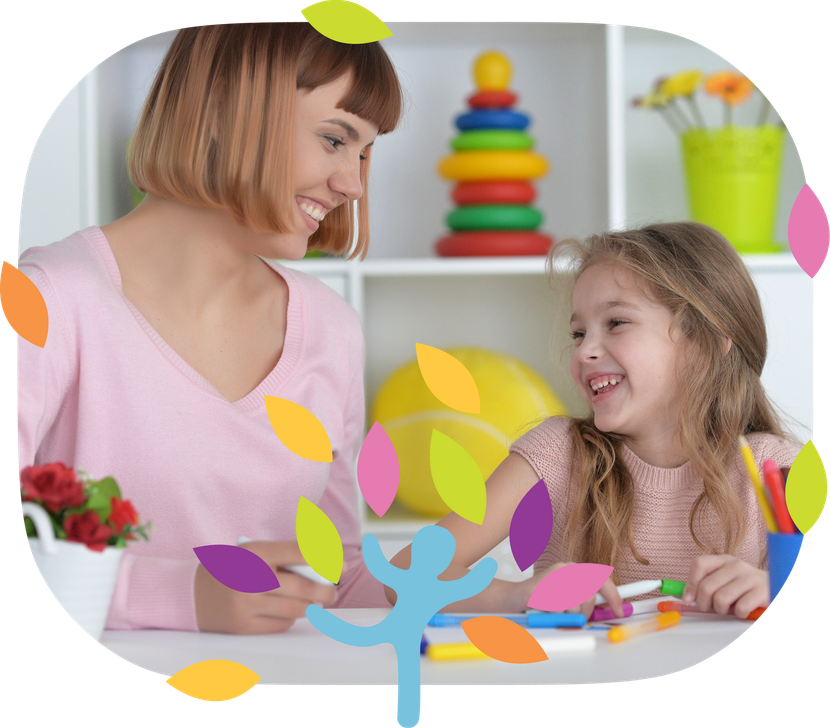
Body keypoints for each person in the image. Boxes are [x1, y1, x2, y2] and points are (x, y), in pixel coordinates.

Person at [17, 22, 403, 634]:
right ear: (223, 107)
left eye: (363, 153)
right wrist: (176, 594)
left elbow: (331, 578)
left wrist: (504, 596)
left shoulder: (332, 329)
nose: (352, 184)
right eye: (334, 139)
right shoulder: (48, 302)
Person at [387, 222, 801, 621]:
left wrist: (772, 588)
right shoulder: (557, 453)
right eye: (578, 333)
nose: (585, 351)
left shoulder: (773, 467)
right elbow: (403, 575)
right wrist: (513, 594)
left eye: (616, 323)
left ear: (706, 344)